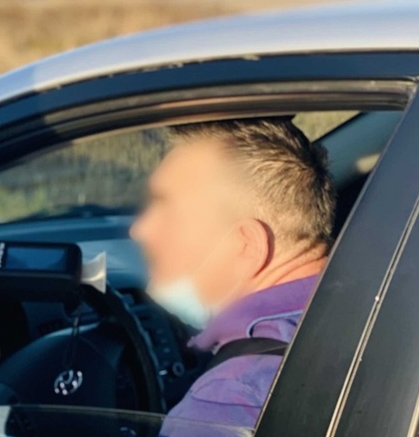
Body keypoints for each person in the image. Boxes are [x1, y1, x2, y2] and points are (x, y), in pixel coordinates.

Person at [129, 118, 334, 431]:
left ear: (246, 247)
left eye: (168, 211)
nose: (140, 229)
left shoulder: (224, 405)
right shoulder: (380, 307)